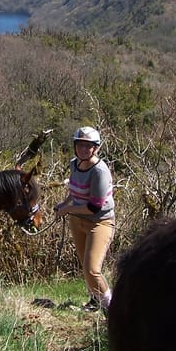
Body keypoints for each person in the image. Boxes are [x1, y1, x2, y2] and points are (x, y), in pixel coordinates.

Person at [54, 126, 115, 312]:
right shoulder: (75, 164)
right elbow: (74, 191)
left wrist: (67, 209)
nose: (83, 149)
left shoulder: (99, 172)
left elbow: (94, 206)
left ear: (95, 148)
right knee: (85, 265)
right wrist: (64, 204)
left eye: (88, 146)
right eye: (80, 145)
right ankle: (95, 301)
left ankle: (111, 307)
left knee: (92, 269)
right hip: (77, 220)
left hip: (99, 221)